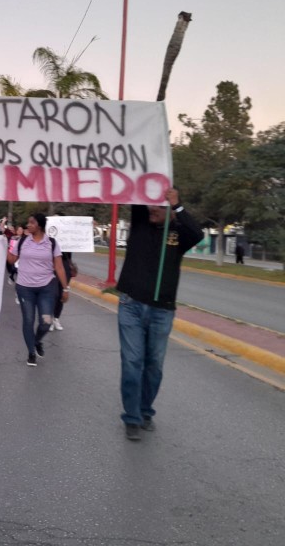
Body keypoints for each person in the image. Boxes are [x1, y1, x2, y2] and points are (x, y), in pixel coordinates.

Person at [117, 188, 202, 441]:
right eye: (150, 205)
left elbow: (197, 233)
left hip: (162, 311)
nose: (153, 209)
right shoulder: (141, 222)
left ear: (170, 211)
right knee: (132, 362)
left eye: (159, 206)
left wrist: (177, 205)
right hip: (131, 304)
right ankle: (131, 417)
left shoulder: (179, 234)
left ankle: (145, 411)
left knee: (154, 366)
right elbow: (132, 188)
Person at [7, 213, 69, 367]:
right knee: (28, 320)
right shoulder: (22, 241)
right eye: (28, 223)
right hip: (24, 288)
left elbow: (59, 267)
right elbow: (11, 260)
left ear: (39, 226)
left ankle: (37, 341)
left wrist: (66, 288)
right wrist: (6, 245)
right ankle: (31, 353)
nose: (28, 225)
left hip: (46, 288)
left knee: (46, 322)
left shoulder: (52, 243)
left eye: (31, 223)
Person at [50, 252, 74, 330]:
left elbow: (69, 256)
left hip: (65, 266)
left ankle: (56, 318)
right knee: (53, 295)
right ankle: (50, 319)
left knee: (61, 295)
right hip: (52, 265)